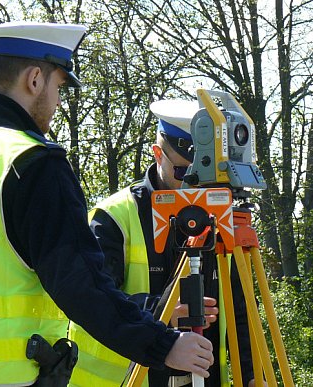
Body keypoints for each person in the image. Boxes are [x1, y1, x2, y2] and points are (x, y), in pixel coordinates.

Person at [0, 22, 214, 387]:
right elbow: (80, 283)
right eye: (59, 86)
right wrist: (162, 344)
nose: (59, 102)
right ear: (34, 80)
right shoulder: (31, 162)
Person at [68, 100, 257, 386]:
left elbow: (239, 311)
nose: (194, 185)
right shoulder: (113, 218)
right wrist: (163, 310)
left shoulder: (218, 216)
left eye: (203, 174)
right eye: (183, 172)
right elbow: (91, 300)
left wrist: (252, 375)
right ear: (157, 154)